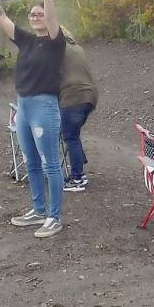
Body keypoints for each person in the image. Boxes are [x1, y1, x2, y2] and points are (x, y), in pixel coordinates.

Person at [0, 0, 66, 238]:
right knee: (30, 162)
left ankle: (55, 216)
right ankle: (38, 209)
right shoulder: (26, 40)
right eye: (32, 14)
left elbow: (52, 18)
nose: (36, 17)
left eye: (40, 14)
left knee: (51, 163)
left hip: (44, 105)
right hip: (24, 106)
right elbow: (1, 17)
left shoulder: (55, 41)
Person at [59, 29, 98, 192]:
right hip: (90, 95)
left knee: (70, 136)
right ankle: (78, 170)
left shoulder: (58, 49)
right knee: (72, 134)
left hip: (73, 96)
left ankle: (77, 178)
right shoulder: (76, 48)